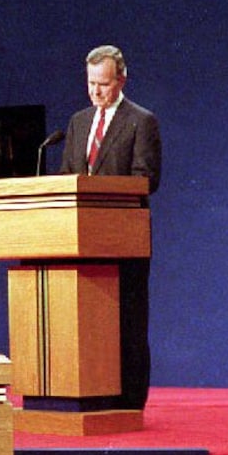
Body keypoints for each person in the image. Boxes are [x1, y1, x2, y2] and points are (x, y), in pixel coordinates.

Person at [59, 44, 162, 409]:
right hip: (81, 243)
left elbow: (146, 180)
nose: (96, 92)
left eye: (103, 84)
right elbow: (67, 179)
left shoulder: (141, 120)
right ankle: (94, 396)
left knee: (127, 325)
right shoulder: (78, 122)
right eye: (90, 84)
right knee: (90, 326)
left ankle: (130, 402)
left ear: (121, 79)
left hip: (122, 240)